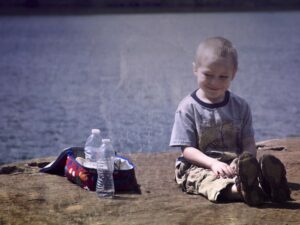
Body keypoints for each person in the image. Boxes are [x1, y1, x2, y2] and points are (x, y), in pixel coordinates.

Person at [169, 37, 291, 206]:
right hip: (199, 165)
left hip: (236, 164)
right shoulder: (187, 108)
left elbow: (248, 142)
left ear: (233, 74)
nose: (215, 82)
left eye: (223, 77)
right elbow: (187, 149)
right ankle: (243, 191)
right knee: (207, 181)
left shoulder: (240, 106)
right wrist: (212, 164)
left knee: (250, 168)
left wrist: (242, 160)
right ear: (195, 69)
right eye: (208, 75)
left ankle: (269, 184)